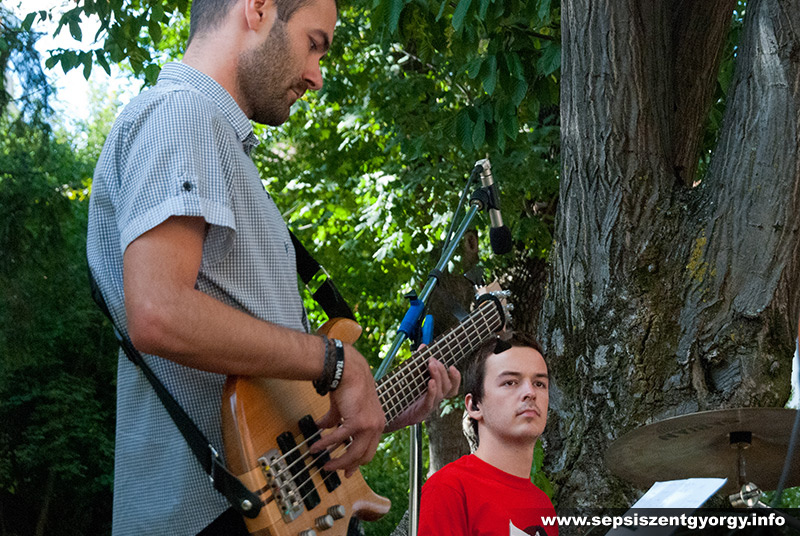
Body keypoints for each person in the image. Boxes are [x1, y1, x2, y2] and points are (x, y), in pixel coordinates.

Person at [86, 0, 461, 534]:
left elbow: (265, 398)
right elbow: (159, 310)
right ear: (258, 9)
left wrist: (371, 407)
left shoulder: (215, 140)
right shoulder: (181, 116)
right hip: (210, 515)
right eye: (314, 44)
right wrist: (335, 361)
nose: (316, 75)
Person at [418, 332, 557, 536]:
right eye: (510, 382)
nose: (530, 392)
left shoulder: (542, 505)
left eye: (539, 384)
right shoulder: (449, 489)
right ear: (474, 406)